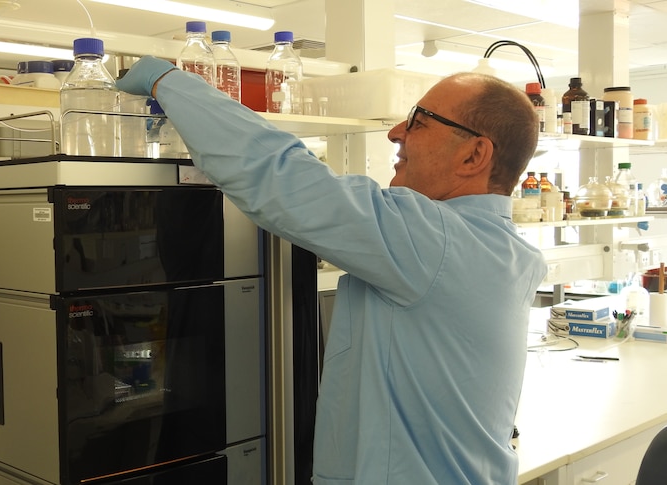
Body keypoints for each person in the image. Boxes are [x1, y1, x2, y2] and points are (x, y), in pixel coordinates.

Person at [116, 56, 547, 485]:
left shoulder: (434, 238)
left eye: (419, 121)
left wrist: (170, 83)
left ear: (475, 154)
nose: (396, 132)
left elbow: (278, 175)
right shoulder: (505, 253)